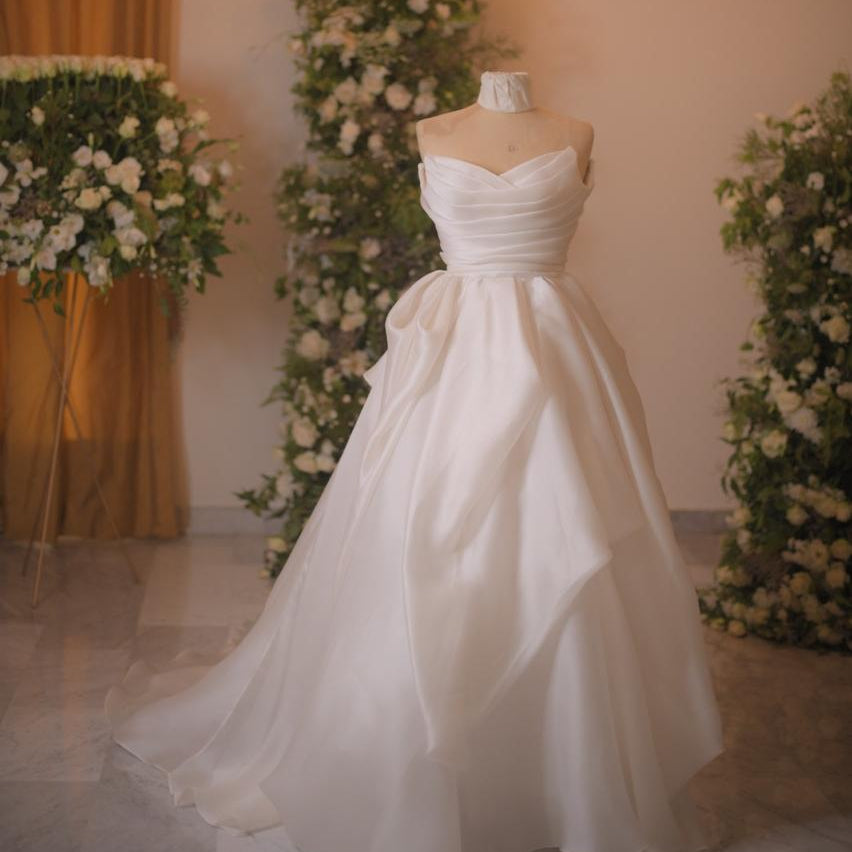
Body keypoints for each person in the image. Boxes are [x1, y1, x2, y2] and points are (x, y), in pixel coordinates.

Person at [105, 69, 725, 852]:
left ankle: (564, 764)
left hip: (559, 350)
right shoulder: (434, 128)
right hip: (456, 351)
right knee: (435, 533)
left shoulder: (576, 131)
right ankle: (423, 750)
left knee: (561, 527)